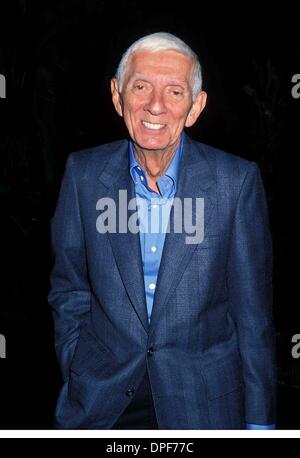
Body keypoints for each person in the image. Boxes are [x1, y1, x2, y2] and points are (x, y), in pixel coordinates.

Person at [48, 32, 277, 429]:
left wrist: (260, 423)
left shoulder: (235, 182)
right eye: (141, 87)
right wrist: (77, 363)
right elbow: (68, 287)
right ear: (118, 96)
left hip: (202, 406)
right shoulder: (83, 175)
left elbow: (252, 316)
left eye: (174, 92)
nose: (155, 105)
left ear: (195, 107)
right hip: (103, 402)